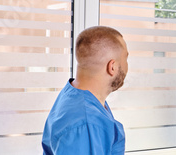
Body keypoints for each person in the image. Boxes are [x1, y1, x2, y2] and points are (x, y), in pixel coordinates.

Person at [42, 26, 129, 155]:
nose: (127, 65)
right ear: (112, 67)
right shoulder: (86, 124)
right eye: (125, 59)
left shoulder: (75, 94)